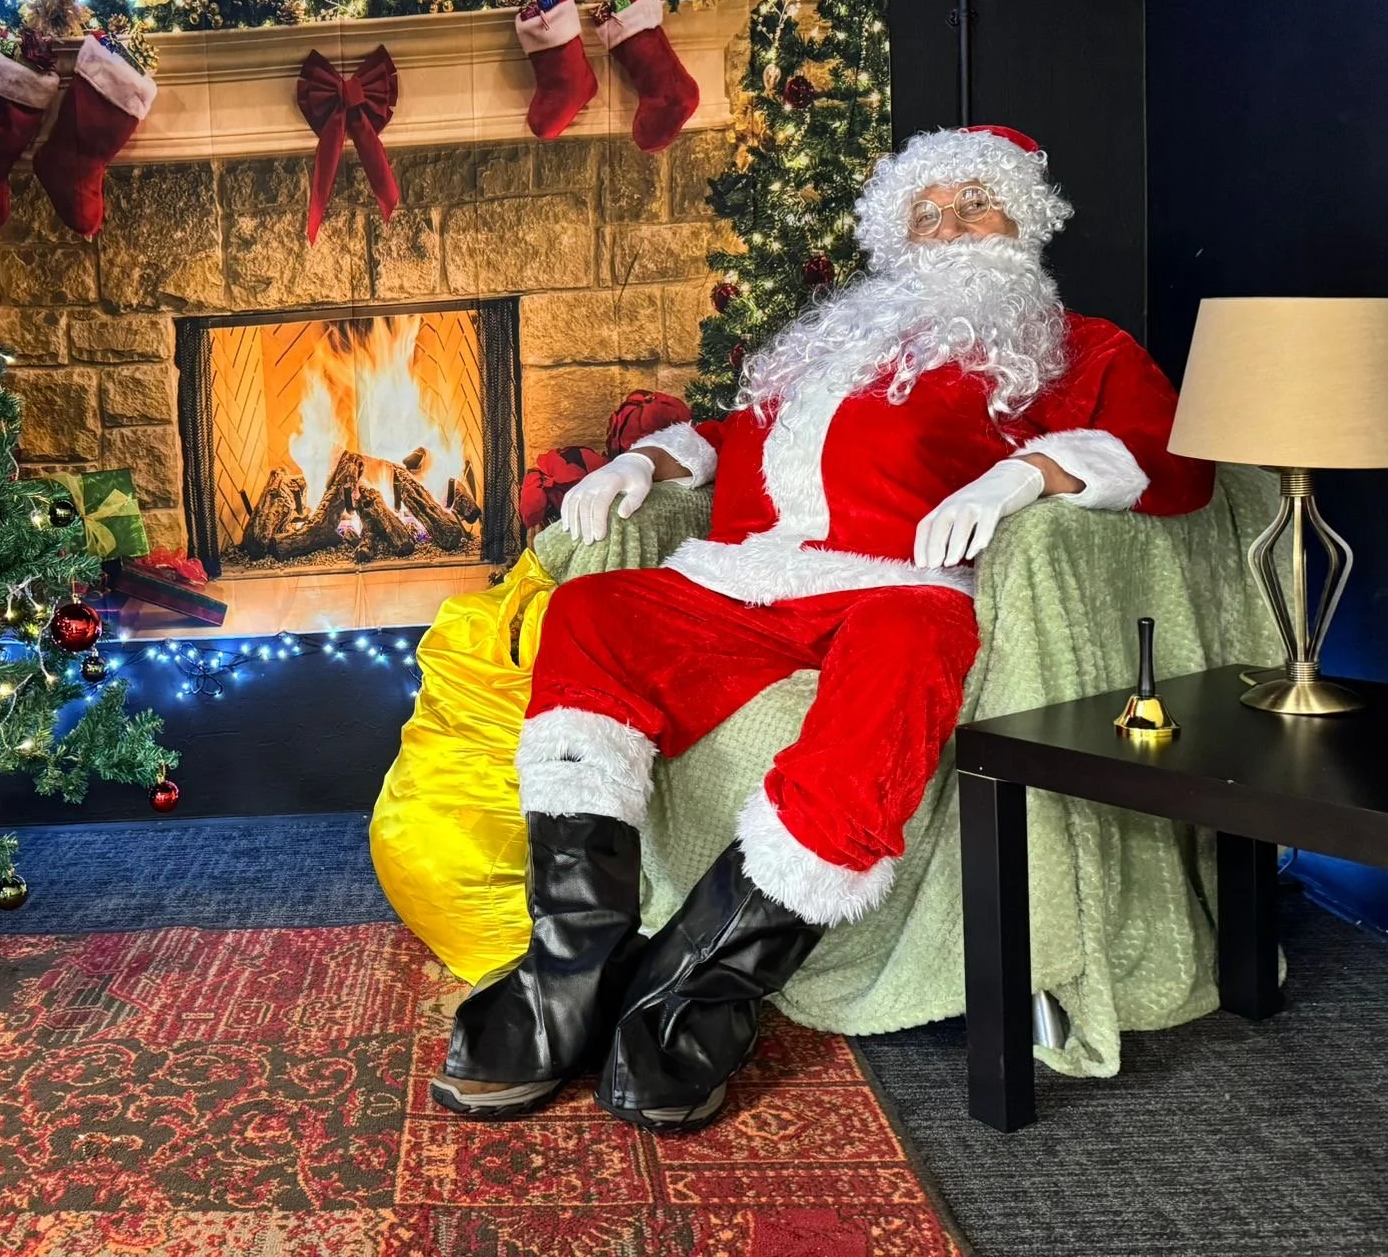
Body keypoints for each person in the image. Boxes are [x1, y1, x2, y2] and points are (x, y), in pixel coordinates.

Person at [431, 125, 1214, 1130]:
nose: (949, 227)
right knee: (592, 612)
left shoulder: (1076, 346)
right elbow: (732, 437)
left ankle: (696, 992)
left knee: (905, 653)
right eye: (924, 213)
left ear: (1026, 220)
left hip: (901, 587)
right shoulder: (836, 338)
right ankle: (568, 969)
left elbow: (1173, 465)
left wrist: (1030, 470)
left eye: (975, 204)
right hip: (746, 581)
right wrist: (648, 464)